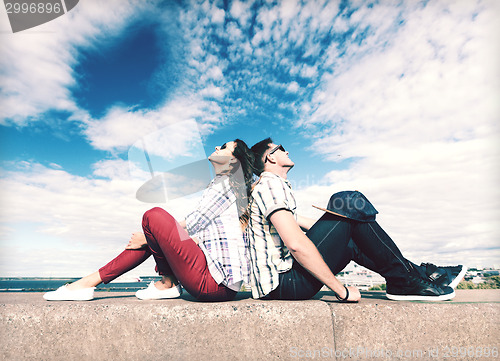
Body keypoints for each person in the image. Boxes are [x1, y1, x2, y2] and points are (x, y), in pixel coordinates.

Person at [245, 138, 465, 302]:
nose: (287, 150)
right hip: (286, 283)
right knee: (348, 201)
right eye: (281, 148)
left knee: (350, 223)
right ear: (271, 157)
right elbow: (296, 244)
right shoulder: (270, 185)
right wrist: (341, 291)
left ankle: (411, 276)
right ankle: (412, 277)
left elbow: (315, 228)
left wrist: (346, 224)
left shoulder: (272, 186)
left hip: (285, 282)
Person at [44, 139, 254, 302]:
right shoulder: (223, 184)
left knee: (153, 216)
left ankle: (164, 283)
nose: (217, 146)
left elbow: (195, 222)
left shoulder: (225, 184)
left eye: (225, 146)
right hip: (219, 284)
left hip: (213, 285)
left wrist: (148, 235)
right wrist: (153, 237)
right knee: (154, 227)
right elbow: (201, 235)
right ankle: (91, 283)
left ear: (233, 160)